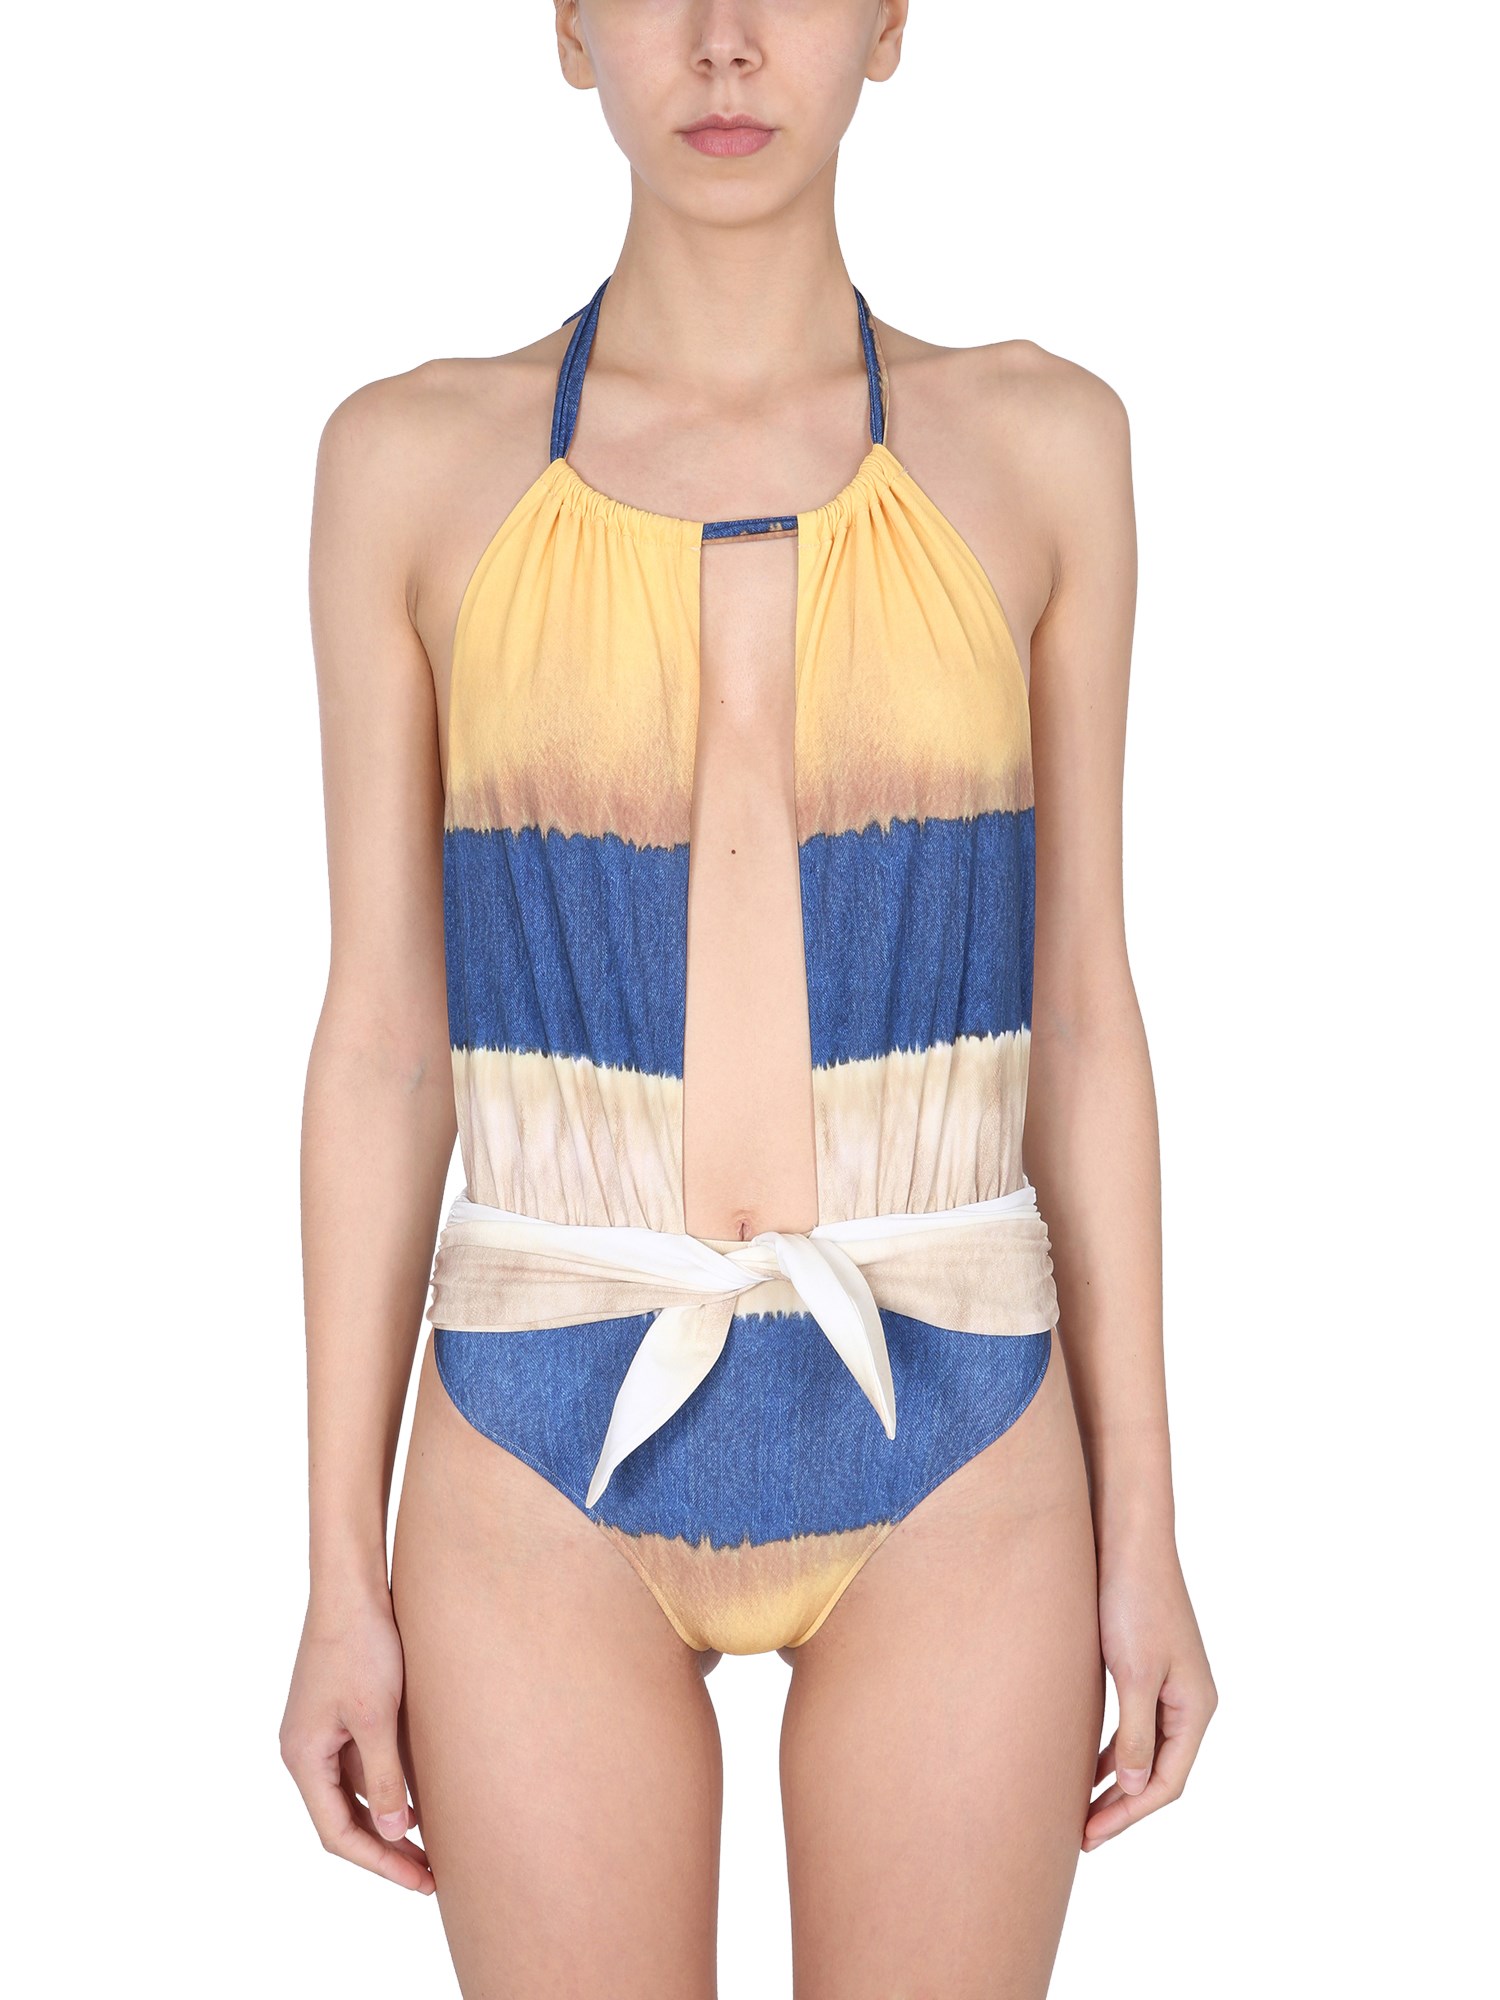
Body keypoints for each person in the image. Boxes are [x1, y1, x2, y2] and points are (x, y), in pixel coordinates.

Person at [279, 3, 1218, 1992]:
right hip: (536, 1419)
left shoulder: (1043, 448)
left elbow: (1085, 1013)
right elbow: (378, 1043)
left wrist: (1148, 1531)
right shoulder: (408, 464)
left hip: (955, 1407)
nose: (722, 43)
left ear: (889, 23)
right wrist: (334, 1574)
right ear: (568, 27)